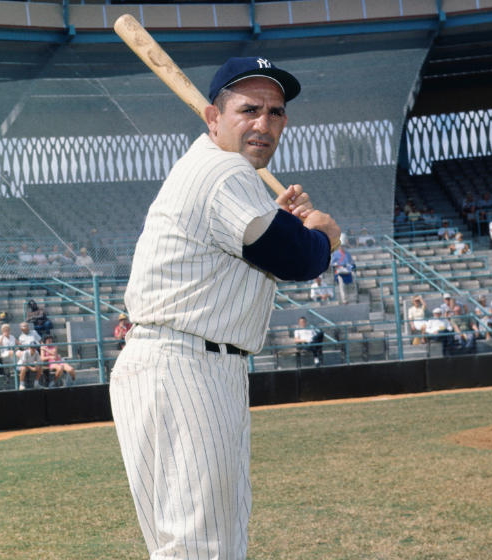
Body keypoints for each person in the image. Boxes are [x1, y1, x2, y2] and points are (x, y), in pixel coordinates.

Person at [108, 57, 338, 560]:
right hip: (186, 365)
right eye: (248, 109)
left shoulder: (215, 170)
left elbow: (248, 252)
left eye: (275, 113)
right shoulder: (223, 169)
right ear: (213, 117)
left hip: (182, 363)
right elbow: (296, 259)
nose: (264, 123)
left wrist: (284, 224)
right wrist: (321, 234)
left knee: (204, 539)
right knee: (202, 544)